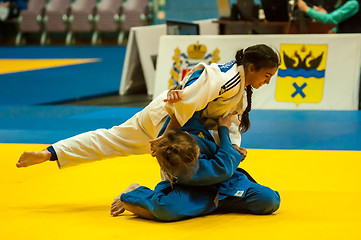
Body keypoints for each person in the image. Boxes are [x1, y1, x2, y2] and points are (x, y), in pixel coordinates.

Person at [16, 44, 280, 170]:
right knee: (184, 173)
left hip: (158, 112)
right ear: (252, 67)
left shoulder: (237, 85)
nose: (267, 82)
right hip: (167, 122)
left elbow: (226, 120)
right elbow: (185, 105)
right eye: (267, 76)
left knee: (109, 139)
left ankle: (50, 152)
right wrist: (166, 139)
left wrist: (232, 145)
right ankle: (148, 198)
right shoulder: (228, 80)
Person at [110, 112, 280, 221]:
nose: (199, 155)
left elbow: (194, 97)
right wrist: (223, 130)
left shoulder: (185, 124)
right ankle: (134, 193)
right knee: (165, 210)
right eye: (196, 158)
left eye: (196, 152)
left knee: (269, 201)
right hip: (193, 190)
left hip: (225, 185)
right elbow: (224, 165)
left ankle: (202, 208)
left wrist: (181, 97)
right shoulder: (175, 163)